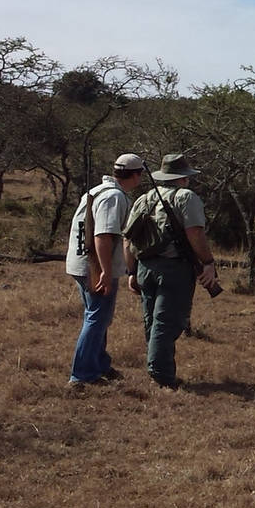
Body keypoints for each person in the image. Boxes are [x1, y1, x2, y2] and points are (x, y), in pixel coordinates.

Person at [125, 153, 219, 390]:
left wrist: (132, 272)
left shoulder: (144, 199)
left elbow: (128, 240)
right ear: (184, 178)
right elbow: (195, 233)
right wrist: (208, 262)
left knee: (151, 319)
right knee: (168, 322)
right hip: (174, 269)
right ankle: (161, 374)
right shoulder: (186, 197)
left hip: (145, 267)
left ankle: (157, 367)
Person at [65, 153, 147, 387]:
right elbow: (103, 236)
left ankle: (99, 364)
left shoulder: (97, 191)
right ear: (135, 174)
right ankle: (82, 375)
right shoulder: (113, 197)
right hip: (94, 266)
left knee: (98, 317)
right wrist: (104, 271)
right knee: (97, 318)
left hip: (81, 263)